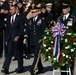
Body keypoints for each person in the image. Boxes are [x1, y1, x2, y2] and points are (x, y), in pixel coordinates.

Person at [1, 5, 24, 74]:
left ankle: (20, 68)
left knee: (19, 53)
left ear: (16, 10)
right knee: (9, 53)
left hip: (18, 38)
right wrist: (7, 40)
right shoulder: (8, 18)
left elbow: (22, 29)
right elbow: (7, 30)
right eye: (10, 9)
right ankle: (6, 68)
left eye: (13, 9)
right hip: (10, 39)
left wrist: (18, 36)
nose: (11, 11)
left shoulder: (20, 18)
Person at [57, 1, 76, 75]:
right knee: (62, 62)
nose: (63, 9)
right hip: (61, 43)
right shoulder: (59, 18)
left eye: (65, 8)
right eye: (62, 8)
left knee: (70, 62)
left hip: (69, 43)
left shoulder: (73, 18)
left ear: (69, 9)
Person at [23, 7, 44, 75]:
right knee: (36, 55)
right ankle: (41, 69)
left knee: (37, 55)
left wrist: (44, 39)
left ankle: (32, 69)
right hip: (32, 41)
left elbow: (44, 30)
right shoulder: (30, 20)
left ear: (38, 12)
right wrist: (25, 38)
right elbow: (28, 30)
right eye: (32, 12)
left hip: (39, 40)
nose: (33, 13)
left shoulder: (41, 20)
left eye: (35, 12)